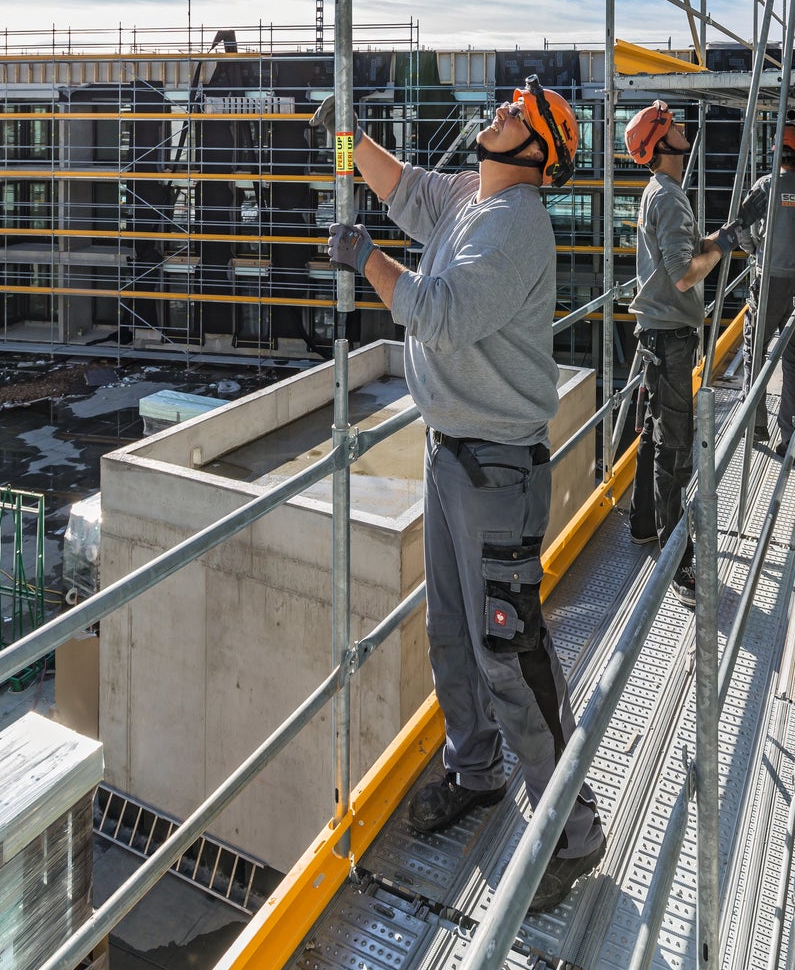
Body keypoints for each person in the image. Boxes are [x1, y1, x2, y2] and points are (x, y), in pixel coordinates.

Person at [313, 77, 606, 915]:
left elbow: (434, 313)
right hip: (453, 458)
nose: (500, 113)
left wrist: (363, 257)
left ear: (536, 150)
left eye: (516, 113)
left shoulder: (516, 225)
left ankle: (573, 830)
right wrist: (347, 133)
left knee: (510, 649)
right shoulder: (473, 197)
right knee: (454, 635)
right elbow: (399, 185)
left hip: (496, 470)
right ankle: (476, 770)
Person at [623, 100, 738, 606]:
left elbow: (689, 253)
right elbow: (684, 273)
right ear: (662, 144)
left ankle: (645, 524)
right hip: (669, 338)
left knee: (654, 432)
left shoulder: (664, 192)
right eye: (673, 125)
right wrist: (722, 247)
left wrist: (724, 238)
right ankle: (678, 559)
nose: (683, 127)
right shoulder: (668, 198)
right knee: (674, 446)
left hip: (659, 333)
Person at [738, 122, 795, 456]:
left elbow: (741, 225)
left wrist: (755, 251)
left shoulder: (765, 186)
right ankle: (789, 436)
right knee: (793, 361)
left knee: (754, 352)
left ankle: (755, 422)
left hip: (769, 279)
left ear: (777, 154)